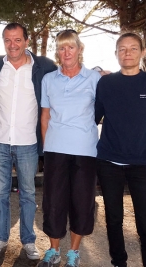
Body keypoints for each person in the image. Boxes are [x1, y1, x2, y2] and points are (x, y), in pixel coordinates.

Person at [0, 22, 57, 260]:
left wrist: (98, 72)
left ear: (26, 41)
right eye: (7, 40)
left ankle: (28, 241)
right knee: (0, 194)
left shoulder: (43, 67)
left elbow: (67, 73)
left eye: (17, 40)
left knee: (28, 195)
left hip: (28, 143)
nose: (12, 45)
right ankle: (1, 238)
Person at [95, 32, 146, 267]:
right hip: (109, 163)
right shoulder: (106, 83)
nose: (127, 53)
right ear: (116, 53)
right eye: (122, 48)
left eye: (133, 48)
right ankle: (119, 262)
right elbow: (92, 117)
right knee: (113, 220)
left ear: (142, 52)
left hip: (143, 165)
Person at [37, 30, 101, 267]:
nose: (66, 52)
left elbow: (103, 111)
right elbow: (45, 116)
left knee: (82, 203)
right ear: (58, 51)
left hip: (85, 151)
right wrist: (47, 148)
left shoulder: (94, 79)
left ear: (79, 49)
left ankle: (73, 252)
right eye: (62, 48)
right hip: (55, 150)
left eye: (71, 47)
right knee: (53, 202)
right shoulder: (49, 80)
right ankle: (54, 251)